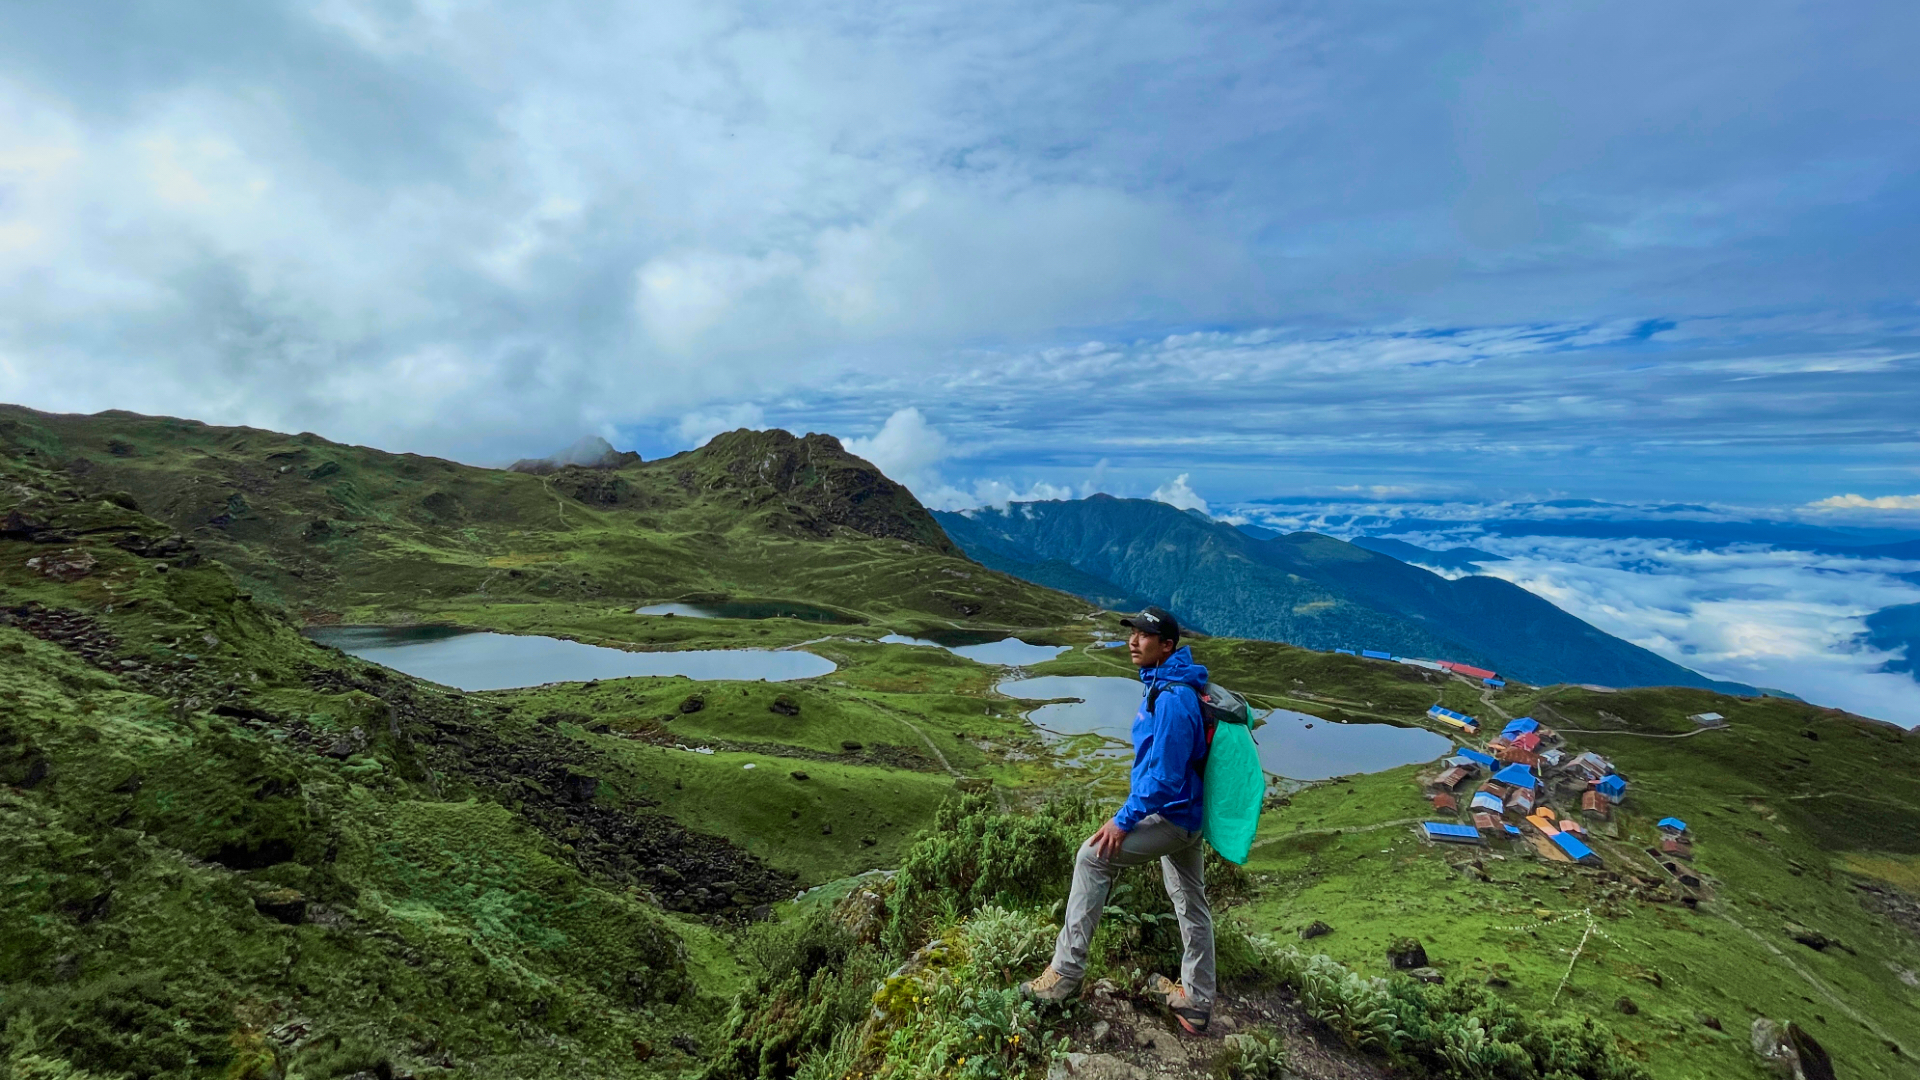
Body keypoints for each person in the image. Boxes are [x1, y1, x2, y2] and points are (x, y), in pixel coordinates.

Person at [1020, 606, 1215, 1034]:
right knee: (1190, 902)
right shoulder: (1167, 685)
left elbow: (1164, 777)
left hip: (1173, 816)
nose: (1133, 641)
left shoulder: (1174, 699)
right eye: (1132, 632)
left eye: (1145, 635)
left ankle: (1064, 976)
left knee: (1092, 857)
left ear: (1167, 645)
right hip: (1188, 814)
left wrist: (1123, 821)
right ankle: (1197, 1002)